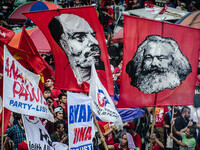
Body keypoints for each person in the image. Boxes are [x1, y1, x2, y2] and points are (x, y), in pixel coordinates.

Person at [48, 13, 105, 85]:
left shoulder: (104, 80)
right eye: (80, 37)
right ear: (65, 45)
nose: (95, 42)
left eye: (92, 35)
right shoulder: (65, 82)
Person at [126, 35, 192, 94]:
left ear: (174, 61)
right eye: (148, 58)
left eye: (161, 58)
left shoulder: (184, 90)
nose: (154, 63)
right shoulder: (133, 90)